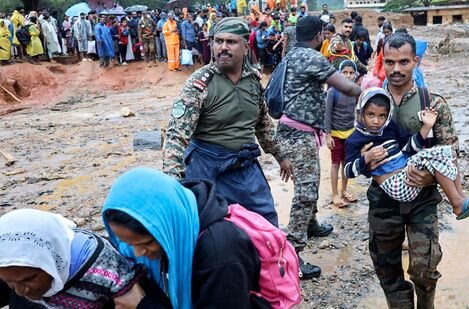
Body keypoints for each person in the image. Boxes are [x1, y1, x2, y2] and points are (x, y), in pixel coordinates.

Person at [356, 32, 460, 308]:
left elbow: (451, 151)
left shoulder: (433, 104)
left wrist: (429, 178)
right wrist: (365, 160)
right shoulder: (370, 104)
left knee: (425, 268)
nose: (396, 69)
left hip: (422, 200)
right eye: (390, 62)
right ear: (382, 61)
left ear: (416, 60)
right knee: (386, 267)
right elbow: (353, 150)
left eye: (404, 61)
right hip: (383, 199)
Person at [163, 18, 292, 227]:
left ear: (245, 47)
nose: (223, 47)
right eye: (218, 41)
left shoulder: (253, 81)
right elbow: (176, 136)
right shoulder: (199, 84)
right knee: (209, 229)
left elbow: (263, 127)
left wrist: (281, 157)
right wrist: (173, 182)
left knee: (265, 221)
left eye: (231, 42)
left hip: (243, 164)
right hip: (206, 166)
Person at [102, 168, 268, 308]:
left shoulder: (221, 256)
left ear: (167, 226)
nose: (137, 253)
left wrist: (142, 304)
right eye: (128, 243)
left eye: (147, 243)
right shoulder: (177, 216)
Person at [275, 16, 362, 279]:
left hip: (295, 132)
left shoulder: (291, 55)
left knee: (310, 181)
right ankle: (293, 254)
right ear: (319, 36)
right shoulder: (311, 57)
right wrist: (372, 91)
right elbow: (346, 87)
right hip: (299, 135)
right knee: (306, 191)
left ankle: (310, 224)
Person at [345, 87, 469, 218]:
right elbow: (348, 171)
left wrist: (427, 126)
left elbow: (409, 147)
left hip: (408, 177)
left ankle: (462, 198)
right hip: (395, 185)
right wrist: (366, 158)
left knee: (449, 152)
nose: (376, 121)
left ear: (387, 115)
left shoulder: (389, 128)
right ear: (361, 112)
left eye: (381, 116)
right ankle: (457, 204)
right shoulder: (355, 139)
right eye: (370, 115)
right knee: (432, 157)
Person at [0, 209, 150, 308]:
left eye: (28, 279)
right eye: (10, 282)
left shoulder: (105, 270)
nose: (20, 290)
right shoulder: (11, 267)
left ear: (52, 261)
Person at [324, 60, 359, 208]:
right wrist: (328, 135)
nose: (348, 75)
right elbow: (327, 114)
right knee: (335, 164)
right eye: (344, 72)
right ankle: (335, 194)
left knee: (346, 163)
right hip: (336, 135)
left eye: (351, 73)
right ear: (339, 74)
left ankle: (344, 190)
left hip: (350, 133)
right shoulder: (333, 92)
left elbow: (359, 112)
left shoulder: (356, 91)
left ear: (355, 75)